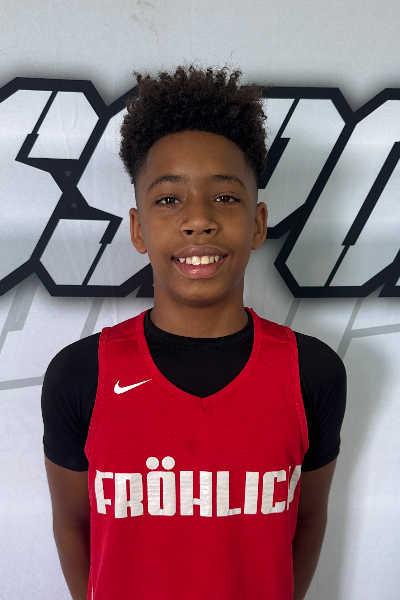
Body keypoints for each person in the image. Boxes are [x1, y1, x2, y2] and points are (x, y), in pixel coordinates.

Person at [42, 65, 346, 600]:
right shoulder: (80, 375)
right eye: (169, 199)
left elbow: (309, 518)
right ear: (138, 228)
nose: (198, 219)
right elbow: (72, 523)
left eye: (225, 197)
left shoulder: (312, 372)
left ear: (258, 223)